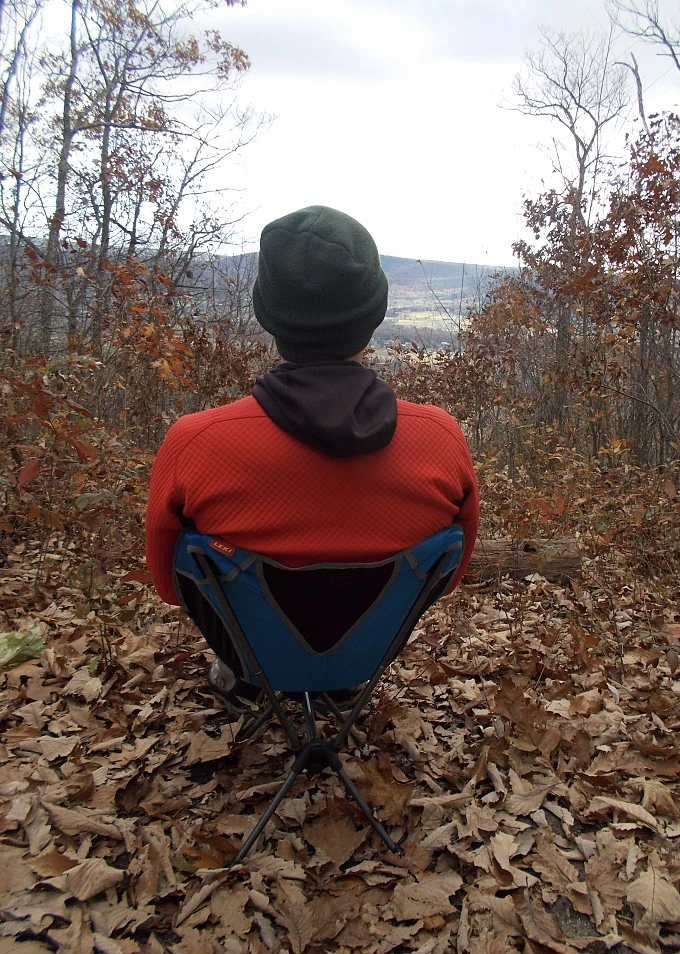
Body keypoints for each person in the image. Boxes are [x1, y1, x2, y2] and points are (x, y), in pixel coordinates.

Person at [145, 205, 479, 712]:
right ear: (374, 314)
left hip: (251, 652)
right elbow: (448, 578)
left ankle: (251, 678)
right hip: (369, 655)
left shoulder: (196, 442)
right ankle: (336, 683)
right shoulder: (439, 438)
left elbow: (170, 585)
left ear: (268, 313)